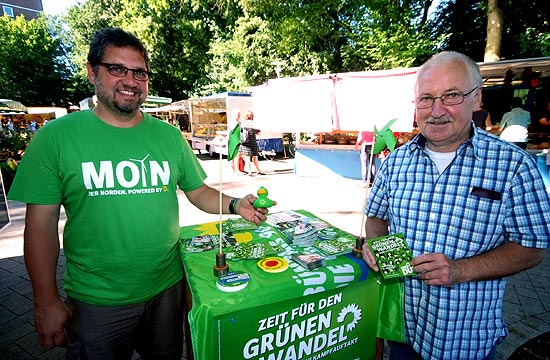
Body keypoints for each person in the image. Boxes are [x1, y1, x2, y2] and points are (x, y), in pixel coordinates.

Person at [7, 28, 273, 359]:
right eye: (116, 69)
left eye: (139, 73)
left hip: (167, 289)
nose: (130, 81)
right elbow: (40, 226)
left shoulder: (169, 136)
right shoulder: (55, 138)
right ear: (92, 71)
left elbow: (198, 192)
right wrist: (45, 300)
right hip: (97, 301)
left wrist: (235, 204)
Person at [361, 51, 550, 360]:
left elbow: (532, 248)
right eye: (426, 98)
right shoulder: (395, 161)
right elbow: (376, 216)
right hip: (401, 328)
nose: (436, 111)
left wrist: (461, 270)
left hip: (465, 340)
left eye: (451, 96)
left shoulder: (514, 166)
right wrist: (377, 244)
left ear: (476, 99)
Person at [236, 110, 265, 175]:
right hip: (253, 142)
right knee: (255, 157)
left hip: (245, 142)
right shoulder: (254, 124)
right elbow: (259, 133)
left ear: (246, 116)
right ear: (252, 117)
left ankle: (249, 171)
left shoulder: (244, 124)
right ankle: (259, 170)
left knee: (246, 157)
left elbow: (240, 130)